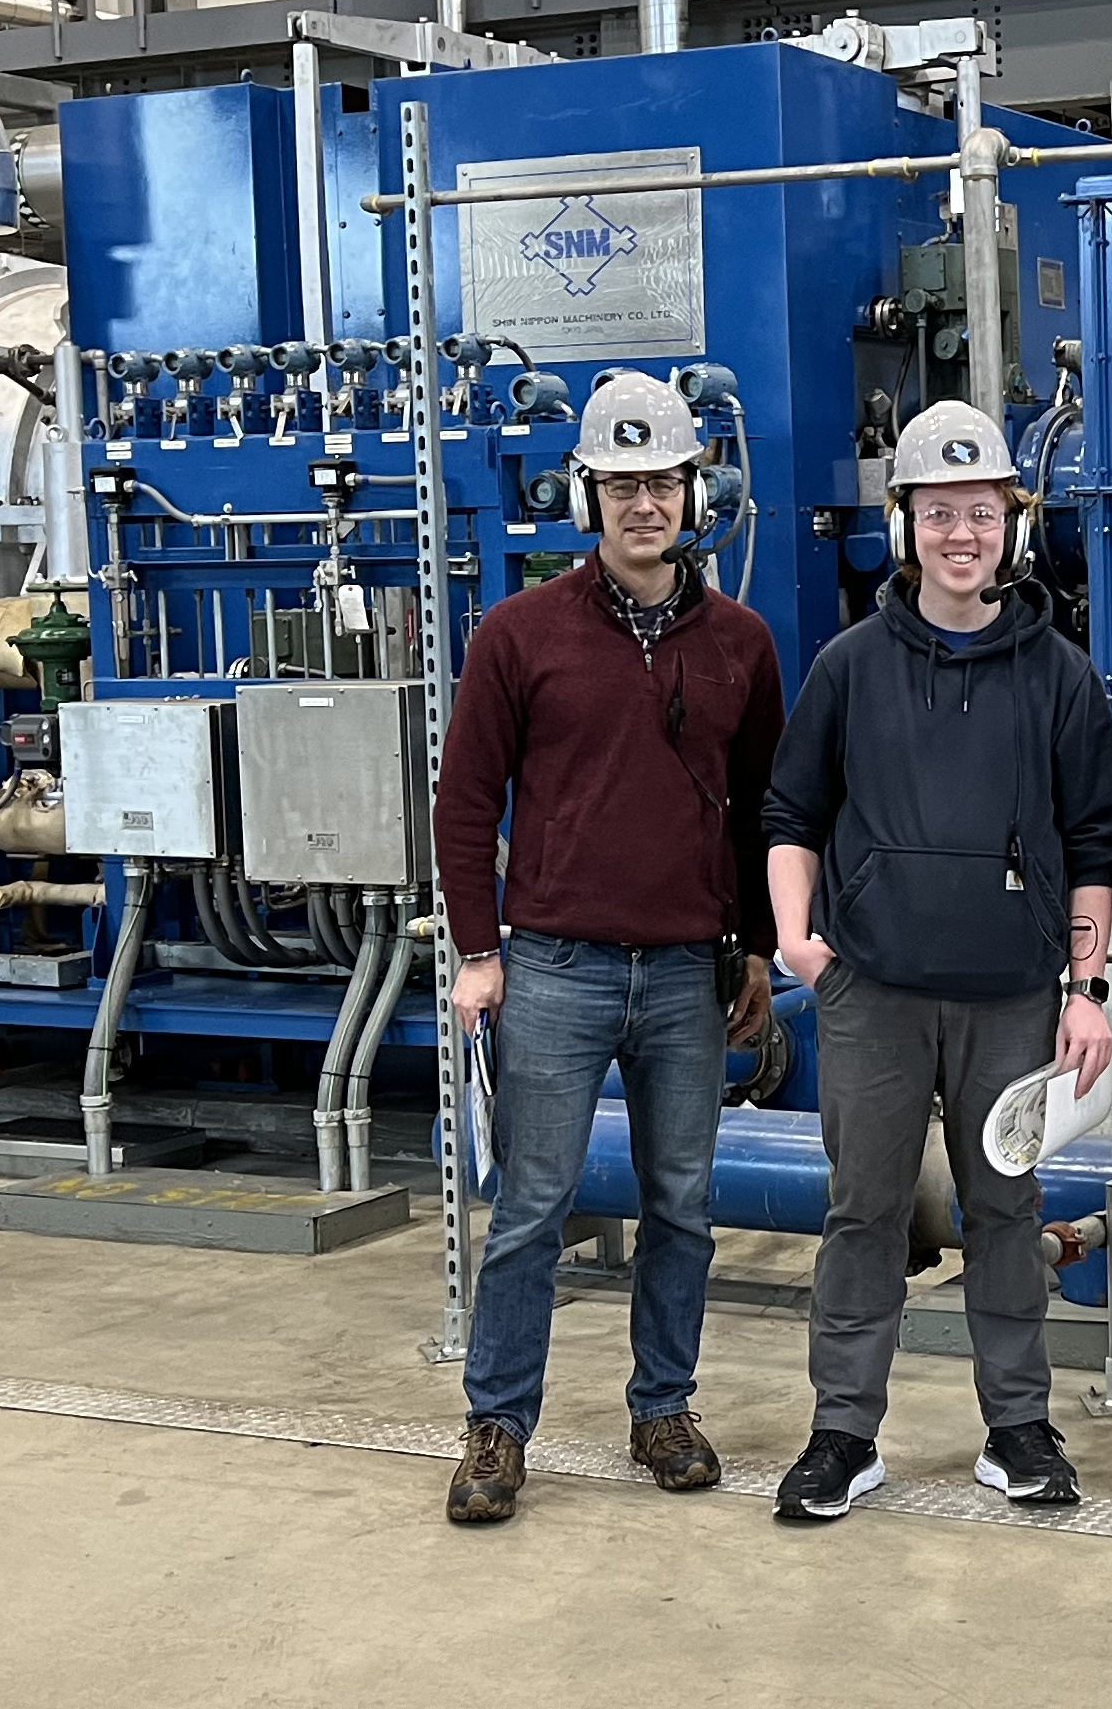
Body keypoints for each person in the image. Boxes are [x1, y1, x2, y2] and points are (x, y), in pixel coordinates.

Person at [432, 371, 786, 1526]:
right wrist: (478, 948)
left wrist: (754, 952)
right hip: (554, 968)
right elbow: (465, 798)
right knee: (532, 1202)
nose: (646, 503)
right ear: (588, 493)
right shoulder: (518, 633)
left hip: (689, 971)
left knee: (682, 1201)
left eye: (665, 482)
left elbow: (760, 810)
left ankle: (662, 1406)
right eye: (624, 483)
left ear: (696, 492)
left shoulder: (741, 642)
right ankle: (497, 1424)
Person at [761, 399, 1112, 1524]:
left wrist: (1087, 987)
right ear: (904, 521)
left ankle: (1017, 1426)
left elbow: (1094, 839)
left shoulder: (1056, 672)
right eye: (938, 511)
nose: (961, 532)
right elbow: (790, 810)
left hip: (1014, 993)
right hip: (873, 991)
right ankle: (842, 1432)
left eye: (982, 510)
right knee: (863, 1210)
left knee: (1004, 1210)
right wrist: (795, 940)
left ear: (1010, 522)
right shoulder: (850, 664)